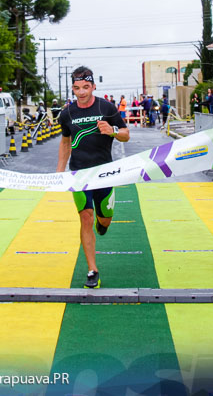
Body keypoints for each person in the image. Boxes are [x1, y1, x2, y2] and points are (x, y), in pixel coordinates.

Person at [57, 66, 129, 288]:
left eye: (86, 87)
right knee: (85, 217)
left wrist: (113, 131)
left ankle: (103, 222)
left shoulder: (106, 107)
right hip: (79, 174)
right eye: (77, 88)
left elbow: (126, 135)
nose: (81, 92)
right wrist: (60, 172)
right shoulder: (67, 113)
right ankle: (92, 270)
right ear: (73, 88)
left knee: (103, 219)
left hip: (105, 174)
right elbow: (65, 142)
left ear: (93, 86)